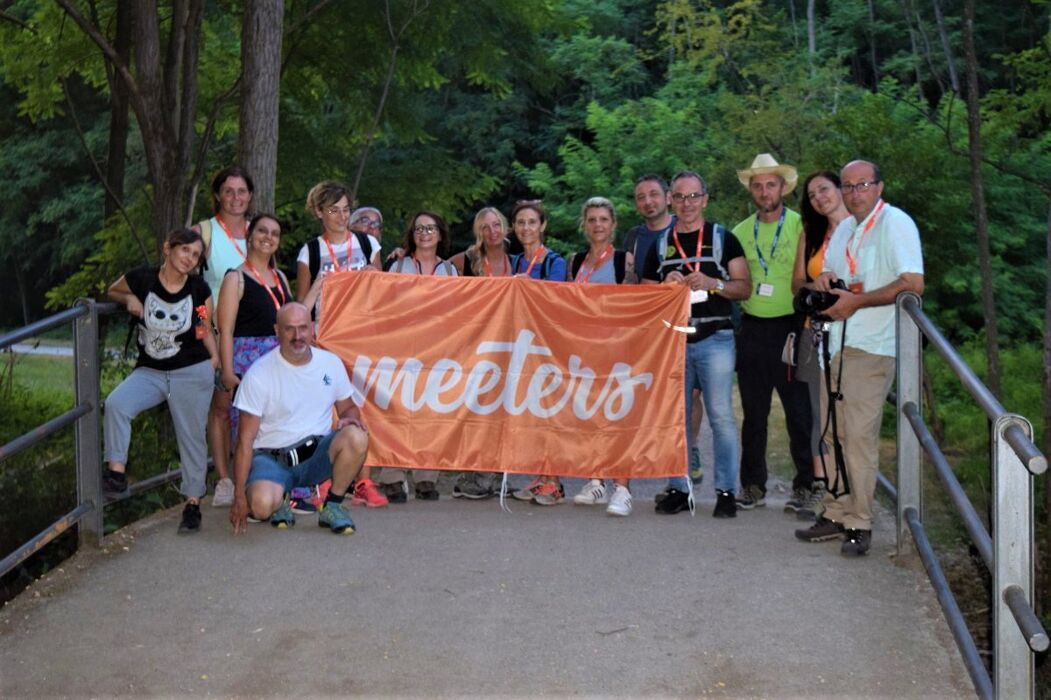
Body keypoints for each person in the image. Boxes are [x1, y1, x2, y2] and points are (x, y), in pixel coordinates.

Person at [795, 160, 924, 556]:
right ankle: (836, 512)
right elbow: (836, 276)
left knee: (858, 438)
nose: (854, 193)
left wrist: (857, 302)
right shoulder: (845, 229)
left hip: (872, 346)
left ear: (879, 186)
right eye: (848, 186)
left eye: (862, 184)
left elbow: (913, 283)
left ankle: (860, 522)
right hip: (835, 344)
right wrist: (825, 282)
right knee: (832, 433)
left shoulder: (895, 224)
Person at [642, 171, 751, 518]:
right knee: (676, 419)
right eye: (679, 197)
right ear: (670, 200)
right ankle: (679, 488)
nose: (686, 204)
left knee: (721, 416)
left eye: (693, 196)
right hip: (674, 339)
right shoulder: (660, 243)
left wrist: (713, 283)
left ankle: (726, 492)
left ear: (705, 199)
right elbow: (644, 293)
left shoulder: (724, 239)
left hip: (716, 337)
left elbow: (744, 287)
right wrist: (665, 286)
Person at [102, 228, 219, 533]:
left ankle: (192, 504)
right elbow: (112, 291)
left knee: (191, 437)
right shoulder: (142, 279)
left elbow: (204, 325)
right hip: (150, 371)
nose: (189, 258)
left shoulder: (199, 289)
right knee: (116, 404)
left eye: (196, 255)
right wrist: (129, 298)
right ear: (168, 248)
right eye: (185, 250)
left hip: (191, 370)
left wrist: (215, 359)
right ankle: (116, 472)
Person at [230, 302, 370, 535]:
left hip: (316, 455)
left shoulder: (331, 363)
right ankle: (279, 500)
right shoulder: (258, 374)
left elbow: (348, 408)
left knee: (357, 435)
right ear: (277, 331)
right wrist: (238, 496)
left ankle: (333, 505)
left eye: (303, 328)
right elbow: (244, 441)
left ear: (312, 328)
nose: (298, 336)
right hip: (272, 459)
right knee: (261, 507)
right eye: (289, 329)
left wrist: (348, 418)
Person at [732, 153, 814, 511]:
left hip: (793, 327)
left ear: (783, 188)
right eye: (758, 186)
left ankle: (806, 485)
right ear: (751, 190)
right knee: (754, 414)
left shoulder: (801, 226)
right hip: (752, 328)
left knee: (800, 412)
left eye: (771, 184)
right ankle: (752, 485)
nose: (764, 192)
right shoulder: (739, 232)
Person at [214, 214, 296, 506]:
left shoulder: (281, 278)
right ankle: (246, 490)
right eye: (262, 231)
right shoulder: (235, 278)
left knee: (279, 425)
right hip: (247, 363)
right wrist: (227, 372)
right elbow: (225, 330)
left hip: (279, 363)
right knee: (248, 430)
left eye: (275, 233)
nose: (268, 237)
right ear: (250, 236)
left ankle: (278, 485)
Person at [377, 211, 457, 502]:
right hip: (400, 348)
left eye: (430, 228)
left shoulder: (450, 270)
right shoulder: (397, 265)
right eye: (419, 228)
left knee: (429, 413)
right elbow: (382, 303)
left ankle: (426, 475)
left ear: (440, 234)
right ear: (412, 234)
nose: (425, 233)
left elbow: (459, 310)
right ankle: (392, 475)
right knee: (396, 411)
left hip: (436, 351)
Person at [566, 197, 635, 516]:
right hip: (585, 350)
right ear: (584, 224)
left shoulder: (624, 260)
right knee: (591, 416)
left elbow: (636, 303)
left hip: (618, 350)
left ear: (613, 224)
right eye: (592, 219)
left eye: (603, 219)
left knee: (619, 417)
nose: (597, 225)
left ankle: (622, 488)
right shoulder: (575, 261)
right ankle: (596, 480)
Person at [790, 171, 851, 521]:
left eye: (824, 189)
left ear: (840, 189)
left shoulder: (861, 230)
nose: (818, 198)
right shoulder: (810, 234)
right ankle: (822, 485)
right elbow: (797, 283)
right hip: (815, 331)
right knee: (818, 413)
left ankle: (850, 489)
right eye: (812, 195)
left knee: (850, 415)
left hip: (856, 333)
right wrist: (817, 284)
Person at [195, 166, 253, 508]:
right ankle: (224, 479)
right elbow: (189, 288)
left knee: (256, 406)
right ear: (217, 195)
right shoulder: (204, 233)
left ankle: (254, 474)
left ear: (250, 196)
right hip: (219, 334)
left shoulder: (259, 231)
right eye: (228, 191)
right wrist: (203, 329)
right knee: (221, 406)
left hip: (256, 334)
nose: (235, 198)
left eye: (241, 191)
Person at [507, 199, 568, 505]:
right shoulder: (516, 261)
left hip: (548, 346)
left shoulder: (554, 261)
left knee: (550, 413)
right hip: (524, 345)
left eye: (532, 222)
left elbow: (555, 301)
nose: (526, 228)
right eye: (520, 223)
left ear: (542, 225)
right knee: (532, 414)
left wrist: (527, 286)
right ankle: (541, 477)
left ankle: (554, 483)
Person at [295, 181, 381, 316]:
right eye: (334, 210)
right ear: (319, 211)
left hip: (363, 324)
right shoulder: (309, 252)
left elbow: (381, 292)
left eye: (345, 209)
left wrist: (377, 275)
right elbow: (301, 307)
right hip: (326, 326)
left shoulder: (368, 243)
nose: (342, 216)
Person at [450, 207, 513, 278]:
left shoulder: (515, 262)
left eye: (496, 225)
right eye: (485, 227)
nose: (492, 231)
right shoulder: (467, 260)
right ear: (479, 232)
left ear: (504, 227)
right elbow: (441, 270)